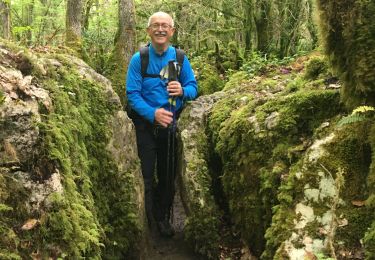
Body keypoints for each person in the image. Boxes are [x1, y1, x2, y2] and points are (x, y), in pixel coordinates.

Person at [126, 11, 198, 237]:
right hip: (145, 126)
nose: (160, 29)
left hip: (170, 126)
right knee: (146, 174)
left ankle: (163, 218)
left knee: (167, 176)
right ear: (148, 31)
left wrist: (183, 90)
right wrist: (152, 113)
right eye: (155, 25)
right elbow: (132, 94)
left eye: (165, 26)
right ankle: (147, 222)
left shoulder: (179, 58)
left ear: (172, 31)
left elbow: (193, 88)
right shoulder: (140, 59)